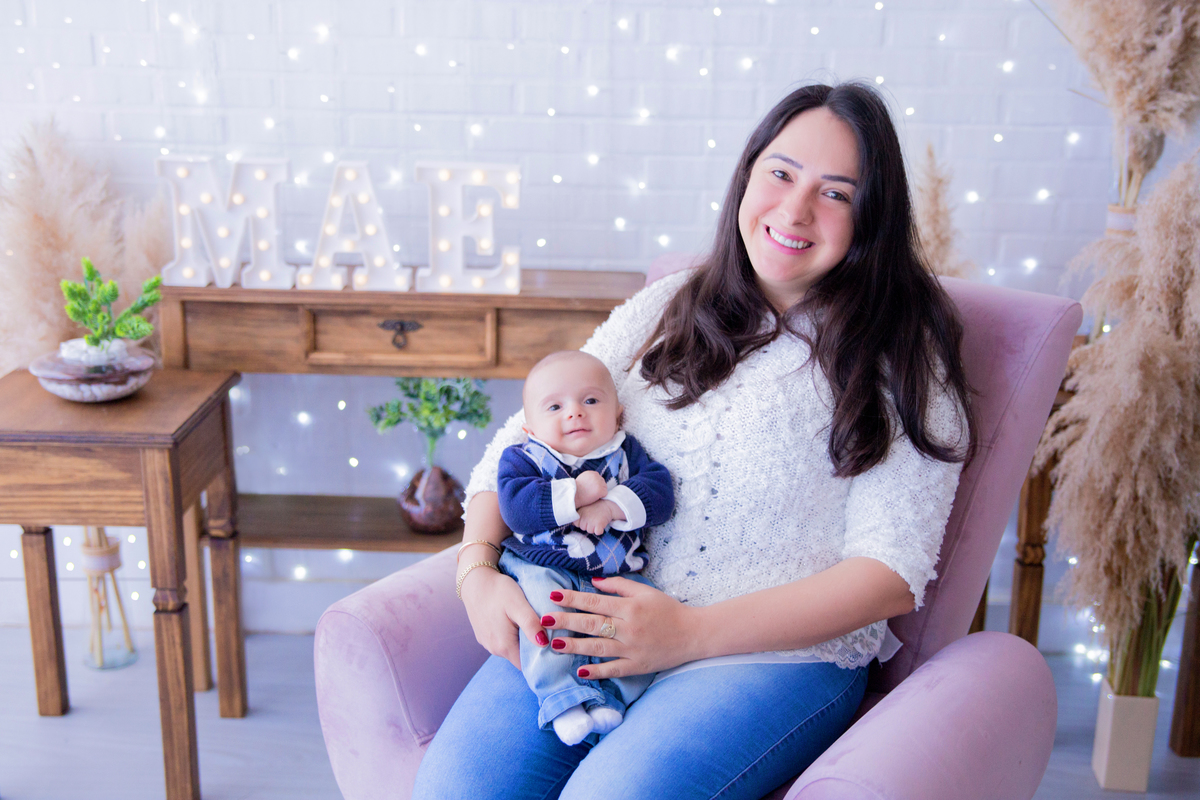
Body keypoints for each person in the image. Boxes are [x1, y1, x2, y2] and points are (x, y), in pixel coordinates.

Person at [414, 80, 976, 800]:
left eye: (836, 193)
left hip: (775, 657)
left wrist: (689, 635)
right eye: (780, 173)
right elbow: (517, 445)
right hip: (592, 611)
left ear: (871, 215)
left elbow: (891, 572)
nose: (795, 210)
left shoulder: (904, 353)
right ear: (747, 176)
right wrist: (476, 572)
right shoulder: (669, 305)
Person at [493, 350, 674, 745]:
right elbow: (516, 508)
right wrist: (577, 493)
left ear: (618, 412)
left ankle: (611, 697)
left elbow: (661, 494)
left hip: (619, 572)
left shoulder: (626, 453)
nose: (575, 413)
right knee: (547, 614)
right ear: (530, 427)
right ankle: (561, 699)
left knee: (640, 625)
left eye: (591, 401)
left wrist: (611, 506)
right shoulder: (525, 458)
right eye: (555, 406)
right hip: (541, 564)